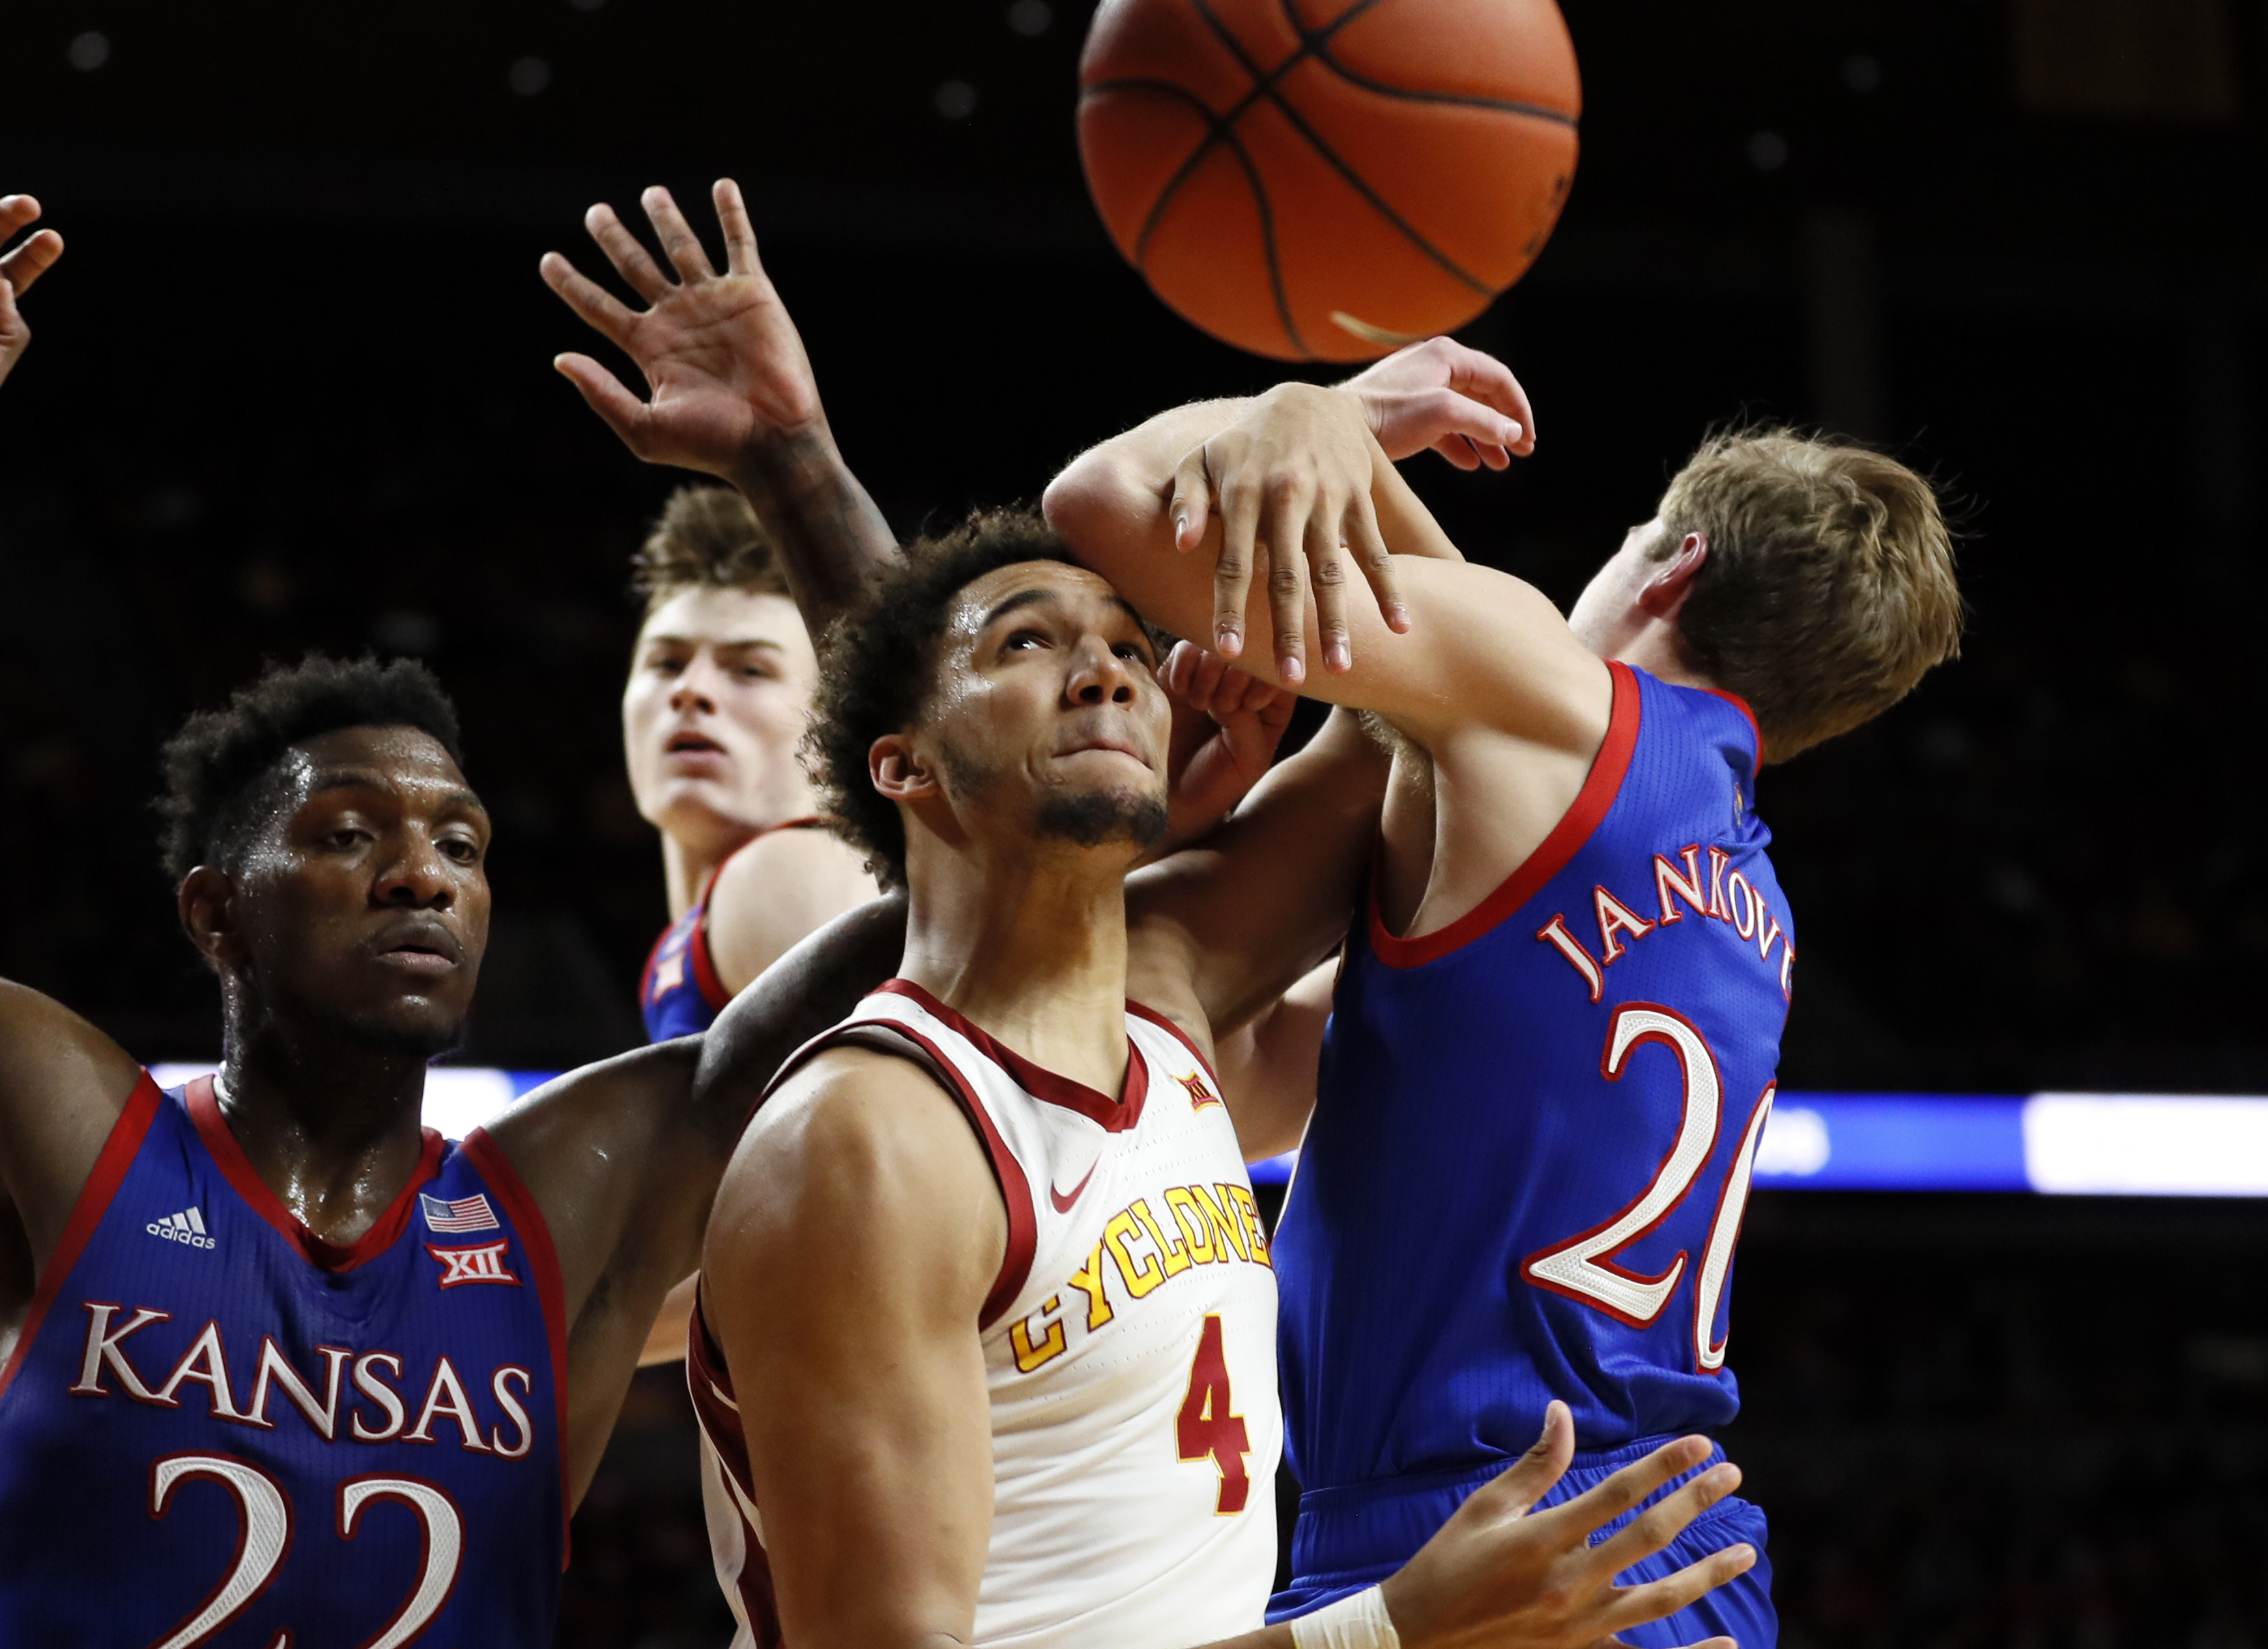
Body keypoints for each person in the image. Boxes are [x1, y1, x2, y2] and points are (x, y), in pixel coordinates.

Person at [0, 180, 905, 1649]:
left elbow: (976, 882)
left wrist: (793, 462)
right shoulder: (58, 1124)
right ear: (215, 914)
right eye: (345, 835)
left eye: (462, 840)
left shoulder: (566, 1198)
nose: (420, 871)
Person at [684, 509, 1757, 1649]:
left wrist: (1329, 426)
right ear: (902, 761)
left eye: (1132, 651)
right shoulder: (868, 1136)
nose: (1102, 670)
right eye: (1026, 643)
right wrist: (1384, 1631)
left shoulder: (1163, 1020)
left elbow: (1435, 694)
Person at [1043, 352, 1964, 1648]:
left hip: (1484, 1545)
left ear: (1673, 560)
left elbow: (1105, 500)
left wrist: (1327, 412)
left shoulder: (1550, 696)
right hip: (1677, 1563)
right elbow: (1246, 1091)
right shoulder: (1747, 909)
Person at [616, 485, 880, 1047]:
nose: (691, 690)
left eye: (750, 670)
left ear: (829, 722)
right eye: (667, 662)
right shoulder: (703, 925)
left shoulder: (788, 871)